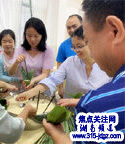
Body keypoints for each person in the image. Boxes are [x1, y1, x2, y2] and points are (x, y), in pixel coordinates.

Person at [43, 0, 125, 144]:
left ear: (115, 31)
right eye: (74, 47)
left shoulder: (95, 106)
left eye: (88, 41)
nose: (81, 50)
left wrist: (59, 135)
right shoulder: (70, 60)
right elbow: (54, 78)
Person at [16, 26, 111, 103]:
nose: (76, 50)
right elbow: (52, 80)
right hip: (69, 113)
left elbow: (110, 94)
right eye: (74, 47)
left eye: (80, 46)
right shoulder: (70, 62)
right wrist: (29, 93)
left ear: (91, 43)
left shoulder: (108, 66)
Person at [8, 17, 55, 90]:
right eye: (29, 36)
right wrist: (16, 62)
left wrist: (33, 80)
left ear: (42, 35)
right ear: (25, 35)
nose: (32, 39)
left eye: (36, 36)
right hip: (22, 89)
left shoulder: (48, 51)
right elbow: (11, 72)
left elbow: (45, 74)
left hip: (40, 89)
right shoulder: (21, 49)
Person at [56, 14, 82, 98]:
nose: (72, 30)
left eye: (74, 26)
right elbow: (59, 69)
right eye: (68, 27)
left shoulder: (92, 42)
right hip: (71, 90)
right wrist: (60, 87)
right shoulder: (63, 46)